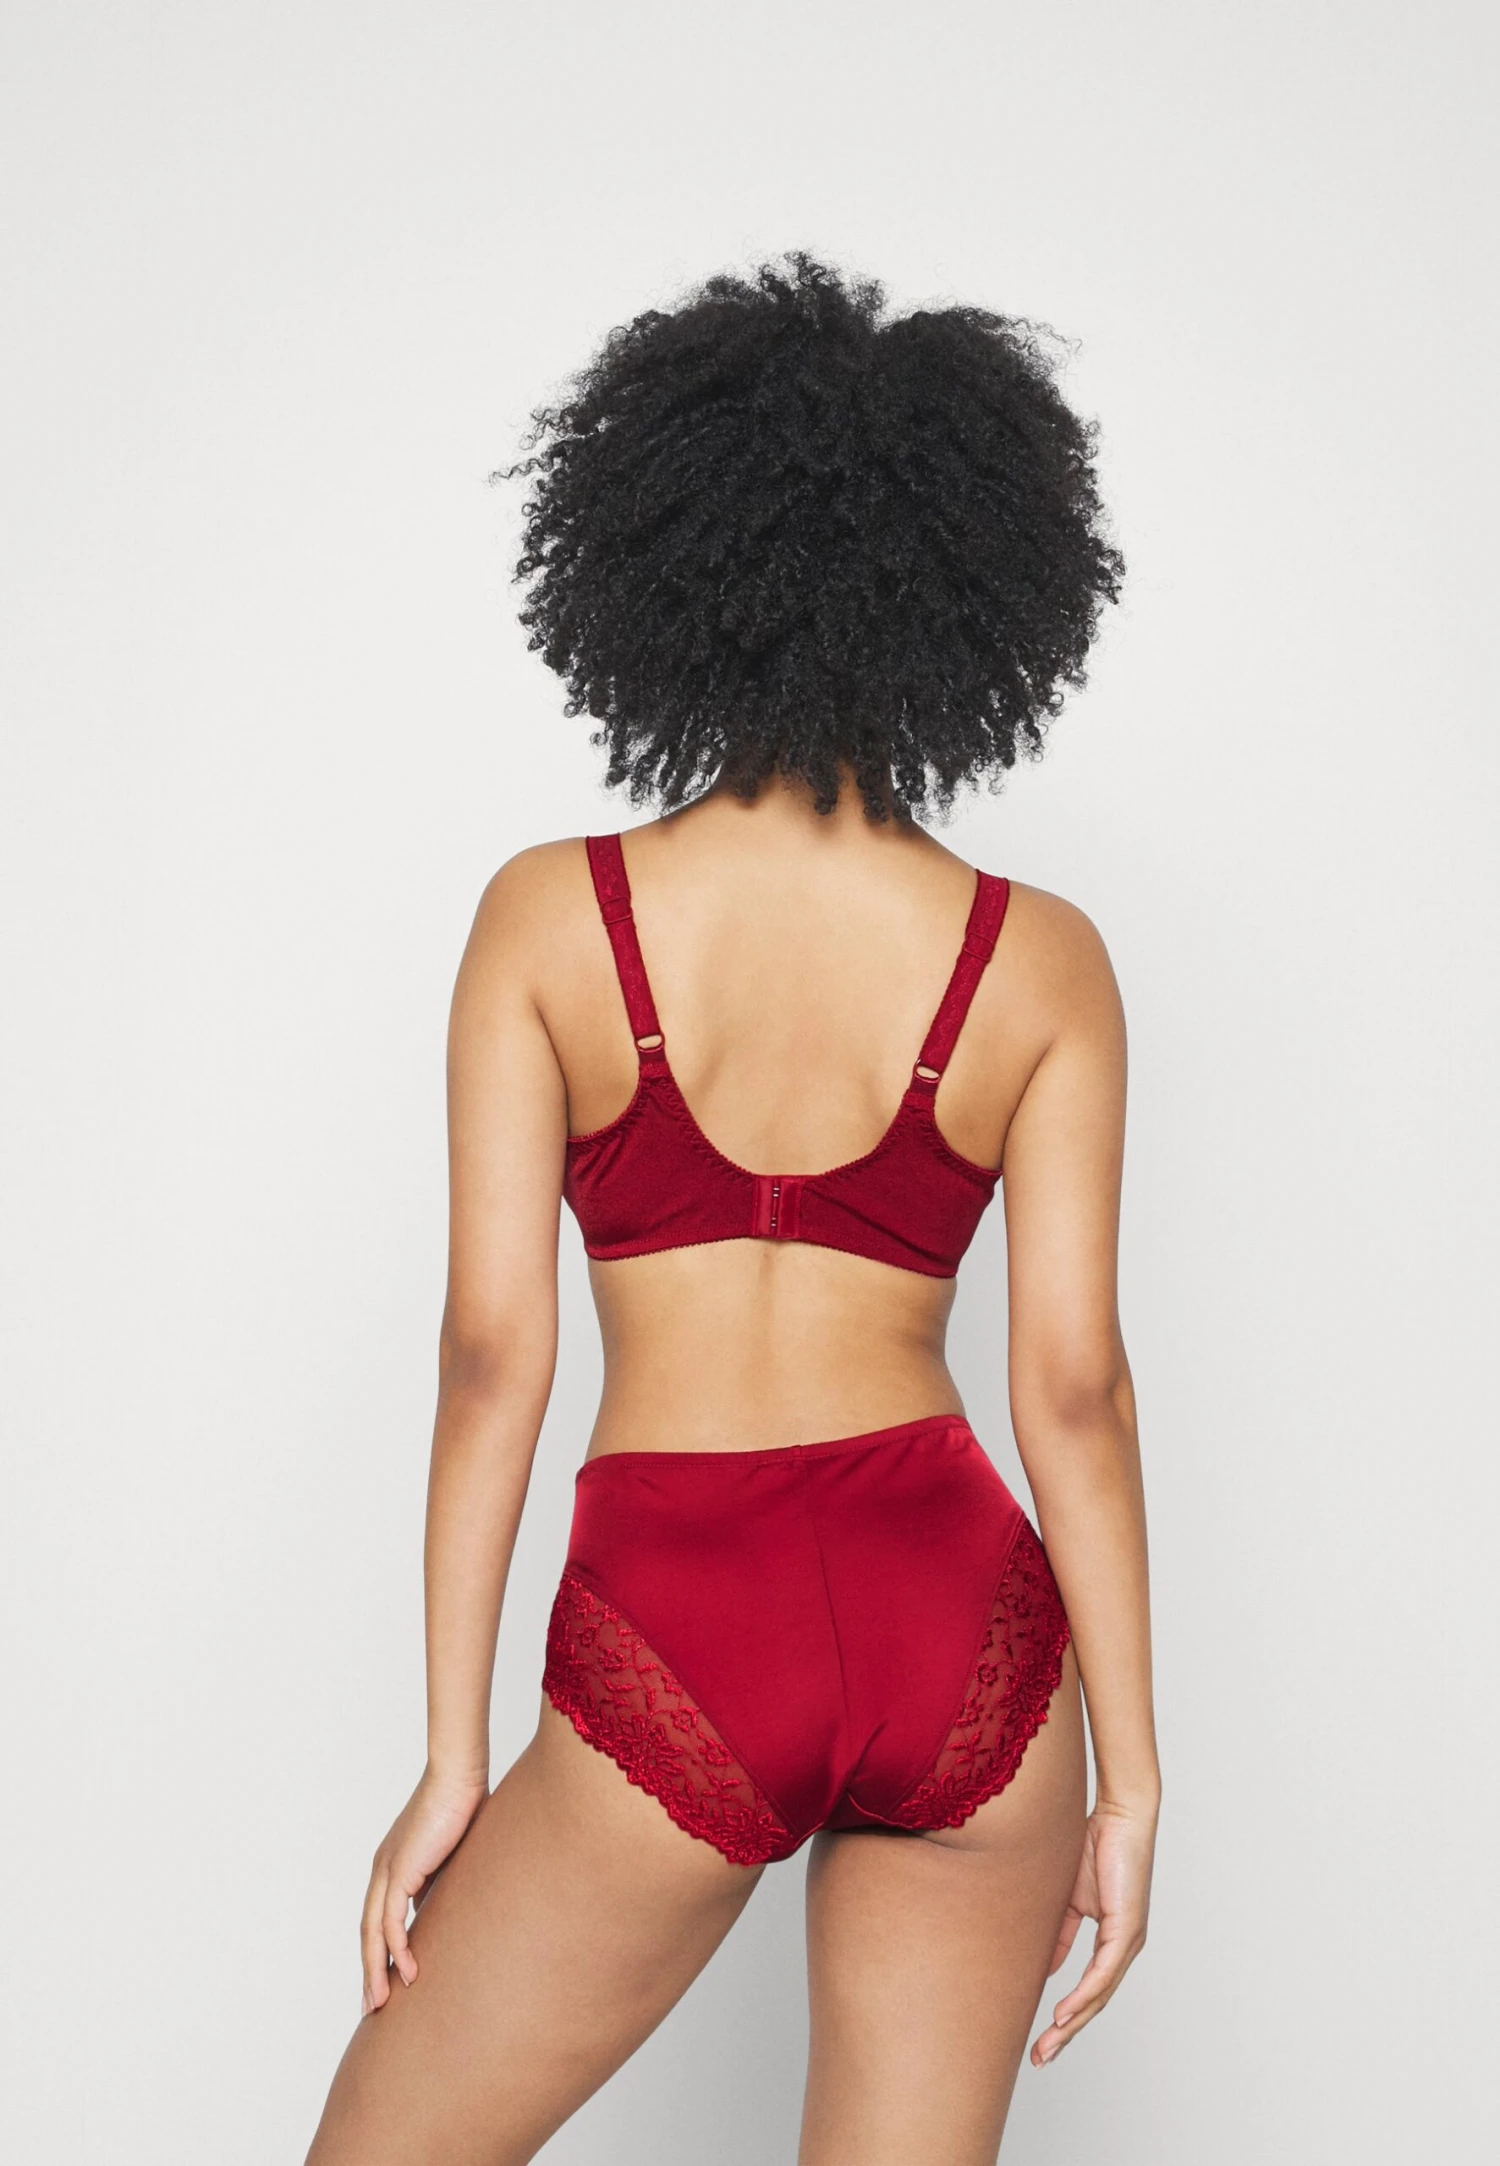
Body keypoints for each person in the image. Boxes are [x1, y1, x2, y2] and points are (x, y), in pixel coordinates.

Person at [305, 251, 1158, 2166]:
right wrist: (1132, 1780)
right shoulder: (1043, 961)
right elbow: (1077, 1390)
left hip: (687, 1616)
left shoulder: (552, 920)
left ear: (666, 563)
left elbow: (490, 1356)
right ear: (974, 589)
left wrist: (452, 1754)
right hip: (966, 1629)